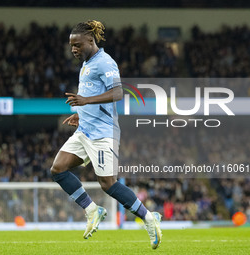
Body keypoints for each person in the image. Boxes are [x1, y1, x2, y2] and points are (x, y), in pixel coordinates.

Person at [51, 20, 162, 249]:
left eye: (77, 45)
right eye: (71, 45)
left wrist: (85, 101)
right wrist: (81, 114)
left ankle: (149, 219)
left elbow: (118, 92)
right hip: (85, 130)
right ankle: (92, 210)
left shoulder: (105, 62)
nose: (74, 49)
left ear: (90, 41)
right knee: (58, 169)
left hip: (103, 133)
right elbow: (93, 93)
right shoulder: (86, 63)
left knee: (108, 184)